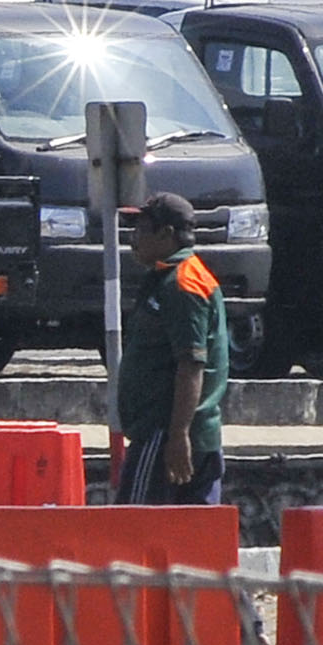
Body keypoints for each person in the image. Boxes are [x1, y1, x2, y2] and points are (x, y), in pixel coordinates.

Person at [112, 192, 230, 506]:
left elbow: (191, 364)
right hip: (177, 434)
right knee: (191, 534)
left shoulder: (183, 284)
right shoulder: (168, 277)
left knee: (133, 529)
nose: (133, 239)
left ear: (166, 234)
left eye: (141, 230)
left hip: (165, 435)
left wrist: (178, 435)